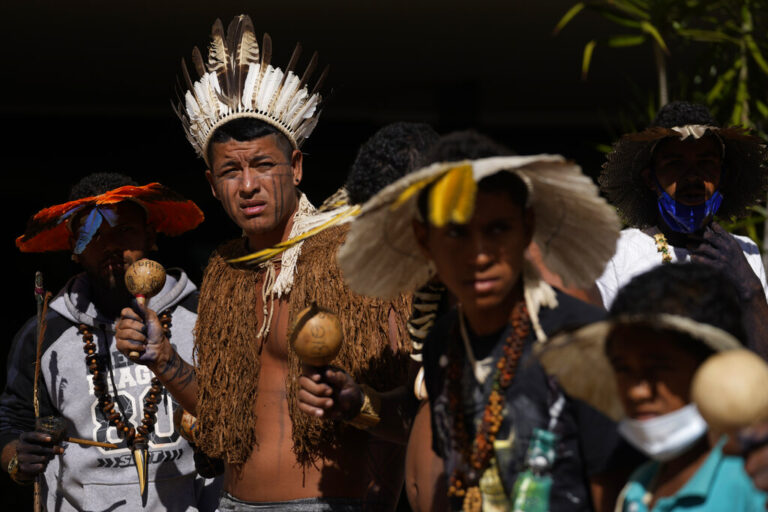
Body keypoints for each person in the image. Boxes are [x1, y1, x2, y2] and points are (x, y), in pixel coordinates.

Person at [116, 15, 413, 511]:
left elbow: (419, 416)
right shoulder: (226, 270)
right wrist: (163, 359)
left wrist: (359, 405)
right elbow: (219, 421)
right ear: (212, 185)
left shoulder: (355, 256)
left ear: (295, 167)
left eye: (263, 165)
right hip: (232, 501)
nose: (247, 185)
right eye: (231, 170)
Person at [321, 132, 627, 511]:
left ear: (526, 226)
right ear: (424, 239)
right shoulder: (443, 342)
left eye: (497, 229)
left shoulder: (577, 336)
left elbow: (613, 488)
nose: (478, 255)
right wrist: (360, 405)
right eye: (457, 233)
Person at [0, 173, 217, 510]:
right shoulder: (44, 332)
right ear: (75, 248)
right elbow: (14, 421)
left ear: (151, 234)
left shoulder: (205, 314)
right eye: (95, 235)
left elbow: (243, 412)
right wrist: (17, 460)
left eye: (125, 230)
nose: (111, 245)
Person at [539, 262, 767, 511]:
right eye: (623, 369)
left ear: (711, 368)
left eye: (659, 368)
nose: (638, 392)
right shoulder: (639, 486)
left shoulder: (752, 479)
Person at [596, 101, 768, 355]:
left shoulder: (745, 254)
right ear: (650, 180)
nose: (692, 177)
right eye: (675, 163)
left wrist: (749, 289)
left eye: (705, 162)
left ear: (723, 175)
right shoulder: (616, 253)